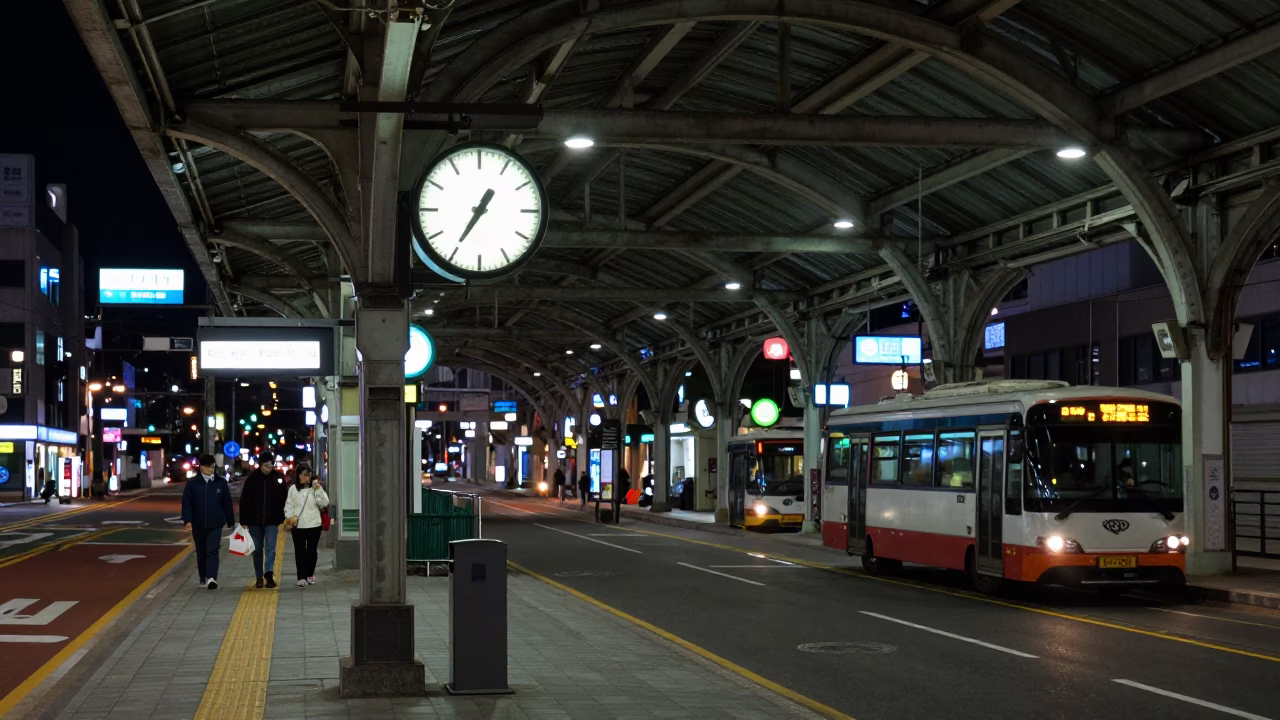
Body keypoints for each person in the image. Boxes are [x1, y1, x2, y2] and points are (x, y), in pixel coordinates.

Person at [181, 455, 234, 589]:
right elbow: (187, 503)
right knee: (201, 551)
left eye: (213, 466)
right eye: (209, 466)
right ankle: (203, 577)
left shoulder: (220, 483)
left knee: (212, 550)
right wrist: (187, 520)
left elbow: (226, 502)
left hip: (215, 523)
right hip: (198, 523)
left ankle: (212, 578)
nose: (211, 469)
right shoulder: (192, 483)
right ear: (201, 467)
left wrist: (230, 520)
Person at [238, 451, 288, 589]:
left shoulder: (277, 477)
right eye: (266, 465)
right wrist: (244, 521)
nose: (269, 468)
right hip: (255, 521)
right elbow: (244, 501)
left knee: (271, 548)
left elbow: (284, 498)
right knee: (257, 549)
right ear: (260, 465)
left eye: (271, 465)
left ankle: (269, 575)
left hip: (272, 520)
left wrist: (283, 517)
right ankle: (259, 576)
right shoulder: (252, 479)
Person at [283, 465, 328, 588]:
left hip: (314, 524)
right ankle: (301, 577)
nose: (306, 477)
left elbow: (324, 503)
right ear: (298, 475)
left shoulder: (315, 488)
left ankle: (309, 574)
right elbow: (289, 505)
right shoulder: (293, 489)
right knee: (300, 551)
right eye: (304, 474)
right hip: (298, 525)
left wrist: (318, 490)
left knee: (312, 551)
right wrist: (289, 516)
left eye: (308, 474)